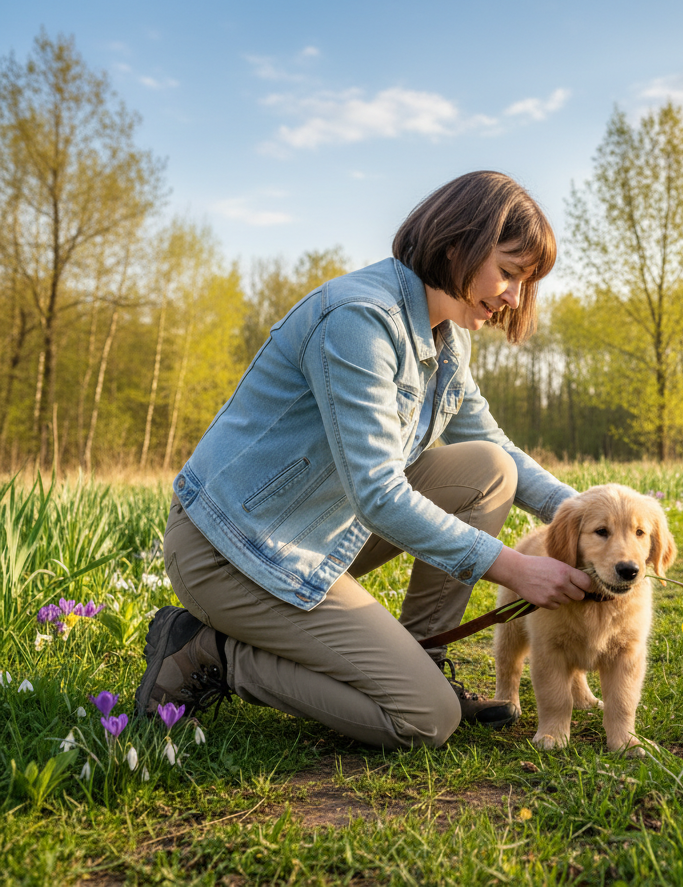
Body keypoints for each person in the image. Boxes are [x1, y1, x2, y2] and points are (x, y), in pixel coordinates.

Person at [136, 171, 592, 749]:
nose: (513, 298)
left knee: (488, 471)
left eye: (524, 283)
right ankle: (209, 653)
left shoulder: (446, 336)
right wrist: (513, 567)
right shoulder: (360, 320)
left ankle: (426, 659)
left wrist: (584, 511)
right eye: (507, 272)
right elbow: (378, 491)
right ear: (457, 243)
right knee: (424, 720)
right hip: (232, 551)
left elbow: (498, 448)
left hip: (317, 533)